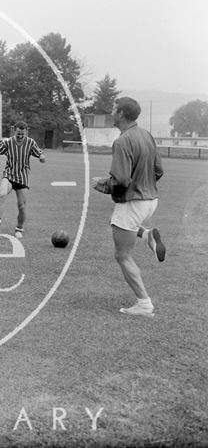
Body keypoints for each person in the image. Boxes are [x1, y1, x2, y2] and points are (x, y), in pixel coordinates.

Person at [92, 97, 166, 317]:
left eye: (114, 108)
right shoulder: (146, 135)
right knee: (116, 221)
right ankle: (148, 235)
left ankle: (144, 304)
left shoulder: (122, 141)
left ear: (121, 113)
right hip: (151, 200)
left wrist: (102, 184)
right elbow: (159, 170)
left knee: (122, 255)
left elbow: (121, 180)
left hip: (135, 202)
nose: (111, 111)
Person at [0, 120, 45, 238]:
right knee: (2, 193)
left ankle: (19, 228)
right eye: (18, 133)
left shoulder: (30, 142)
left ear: (26, 132)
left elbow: (39, 153)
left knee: (22, 206)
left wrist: (42, 157)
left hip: (23, 178)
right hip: (9, 175)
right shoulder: (7, 142)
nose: (20, 136)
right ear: (14, 131)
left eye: (22, 134)